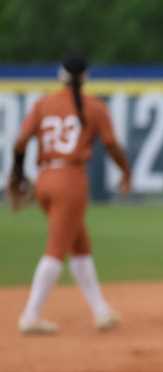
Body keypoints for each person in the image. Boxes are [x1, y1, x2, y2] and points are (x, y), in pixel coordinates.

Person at [6, 55, 130, 336]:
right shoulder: (94, 107)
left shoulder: (43, 104)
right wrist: (126, 172)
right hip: (71, 181)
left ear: (60, 76)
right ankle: (30, 315)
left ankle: (101, 311)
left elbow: (21, 142)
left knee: (80, 245)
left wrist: (17, 175)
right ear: (86, 77)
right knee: (56, 249)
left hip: (45, 179)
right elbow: (111, 144)